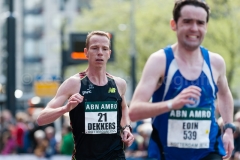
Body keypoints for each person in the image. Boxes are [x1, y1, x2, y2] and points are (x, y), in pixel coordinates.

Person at [129, 0, 235, 160]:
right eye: (187, 21)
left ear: (206, 26)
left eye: (200, 23)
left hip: (208, 152)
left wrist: (228, 128)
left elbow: (225, 95)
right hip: (167, 154)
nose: (194, 28)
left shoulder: (215, 62)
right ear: (174, 24)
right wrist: (172, 104)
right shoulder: (160, 61)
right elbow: (134, 111)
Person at [36, 30, 134, 159]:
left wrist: (127, 128)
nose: (100, 52)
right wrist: (65, 108)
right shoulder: (74, 83)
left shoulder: (119, 84)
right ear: (86, 52)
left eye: (104, 49)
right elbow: (41, 119)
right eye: (94, 48)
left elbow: (123, 108)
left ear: (109, 53)